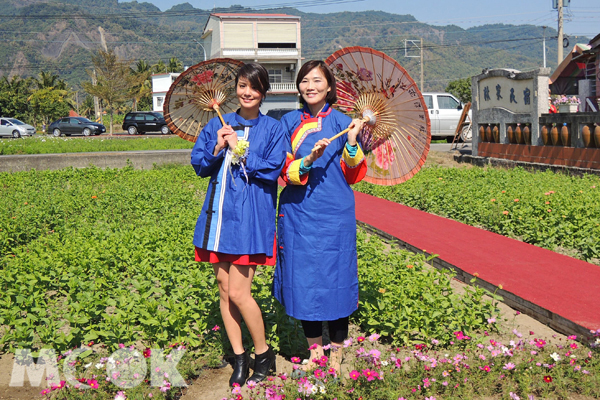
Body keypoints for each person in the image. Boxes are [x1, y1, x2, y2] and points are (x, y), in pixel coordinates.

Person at [191, 62, 287, 387]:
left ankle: (263, 353)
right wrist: (218, 146)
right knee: (223, 291)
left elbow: (273, 170)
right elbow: (199, 165)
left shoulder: (273, 130)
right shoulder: (219, 125)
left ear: (263, 92)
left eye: (254, 87)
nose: (247, 93)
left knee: (239, 292)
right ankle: (239, 357)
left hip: (250, 220)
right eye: (242, 86)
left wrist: (240, 150)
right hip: (219, 217)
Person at [273, 60, 367, 374]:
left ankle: (337, 354)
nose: (310, 86)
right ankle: (315, 352)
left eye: (317, 80)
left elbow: (354, 175)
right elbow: (284, 171)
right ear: (299, 87)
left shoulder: (345, 122)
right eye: (305, 81)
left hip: (335, 214)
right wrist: (310, 158)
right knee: (304, 282)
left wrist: (352, 142)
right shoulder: (286, 123)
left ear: (329, 86)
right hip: (298, 212)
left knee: (336, 281)